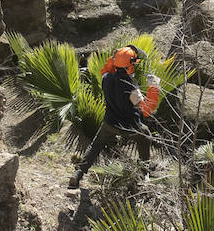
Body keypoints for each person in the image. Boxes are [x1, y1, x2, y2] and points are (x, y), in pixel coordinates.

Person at [69, 45, 161, 188]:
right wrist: (153, 87)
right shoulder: (131, 89)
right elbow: (147, 110)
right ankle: (144, 171)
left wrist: (115, 57)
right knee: (145, 135)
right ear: (131, 65)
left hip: (109, 123)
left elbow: (106, 68)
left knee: (95, 146)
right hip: (129, 127)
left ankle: (78, 173)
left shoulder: (106, 77)